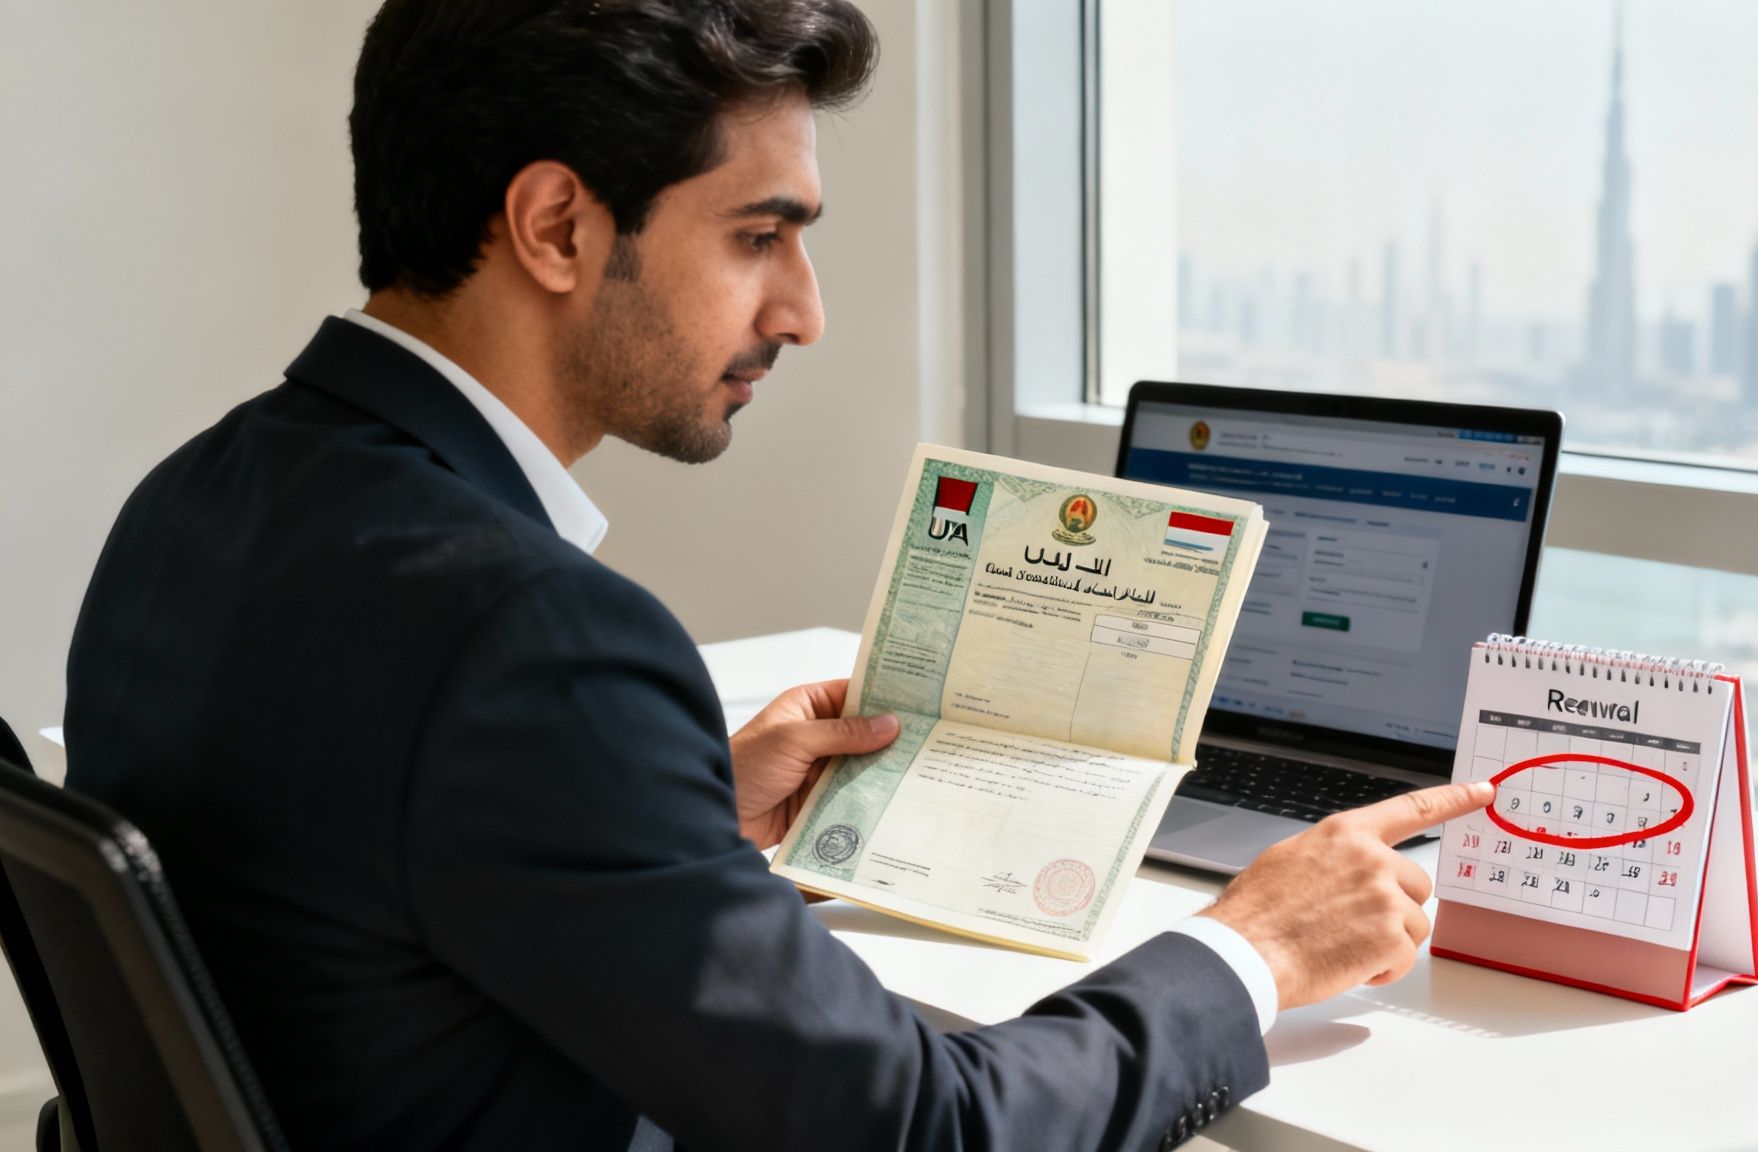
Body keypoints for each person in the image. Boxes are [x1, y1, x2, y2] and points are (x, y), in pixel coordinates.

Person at [63, 2, 1495, 1149]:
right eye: (760, 236)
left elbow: (362, 861)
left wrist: (668, 821)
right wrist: (1251, 952)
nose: (802, 314)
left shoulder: (196, 499)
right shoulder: (531, 639)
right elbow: (927, 1132)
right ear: (556, 225)